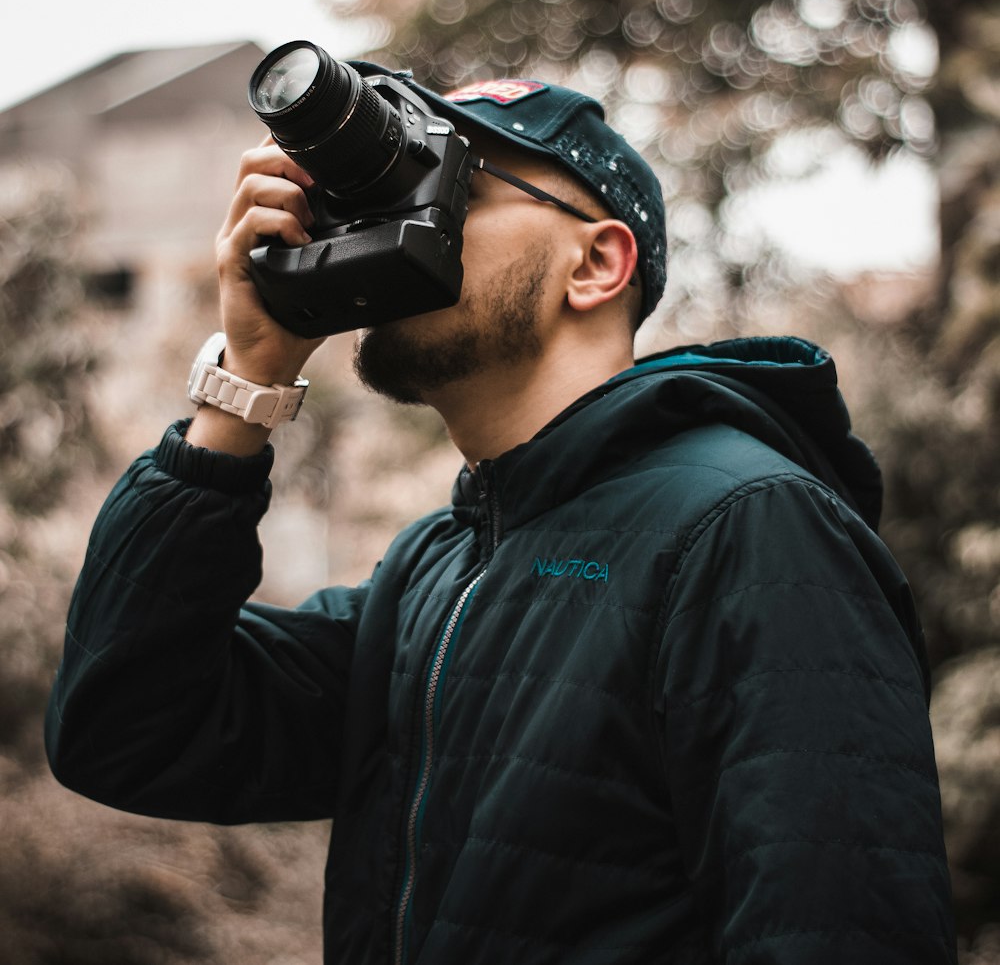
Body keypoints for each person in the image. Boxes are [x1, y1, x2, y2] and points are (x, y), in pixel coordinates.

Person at [46, 65, 957, 964]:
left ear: (598, 263)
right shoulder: (429, 574)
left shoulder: (749, 528)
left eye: (454, 184)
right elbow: (127, 732)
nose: (405, 221)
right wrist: (243, 383)